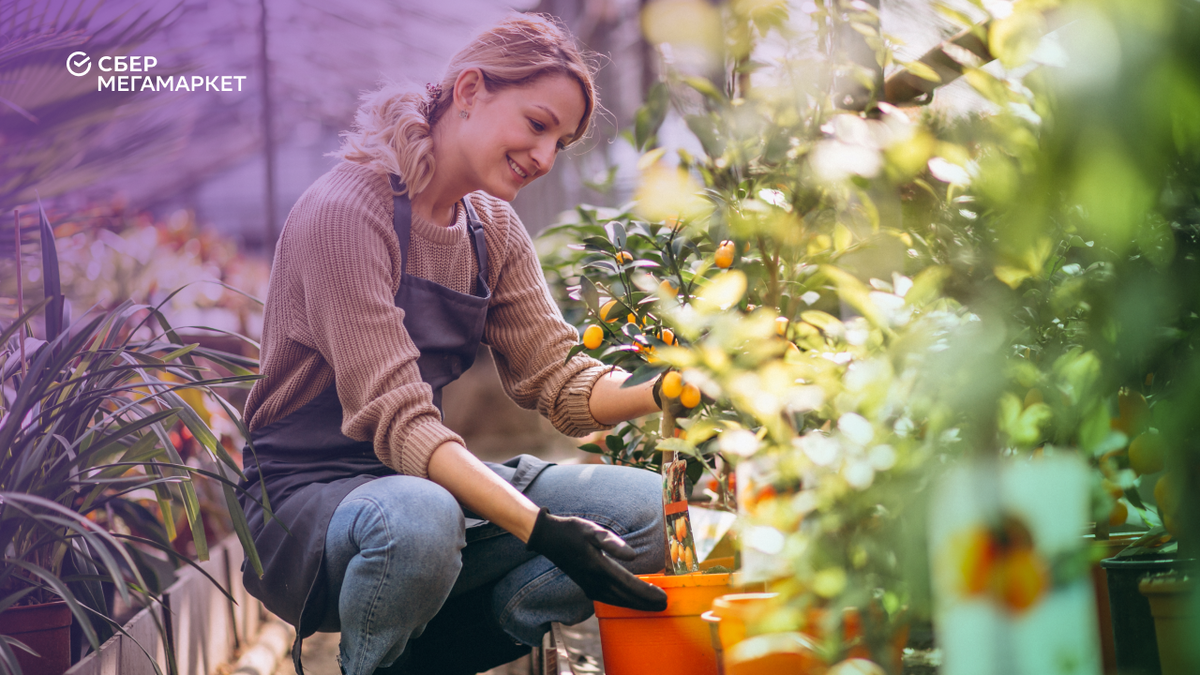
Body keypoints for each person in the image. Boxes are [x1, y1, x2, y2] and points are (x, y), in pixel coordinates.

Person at [238, 13, 671, 675]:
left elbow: (560, 381)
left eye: (560, 141)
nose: (545, 157)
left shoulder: (491, 226)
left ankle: (433, 661)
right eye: (536, 123)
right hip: (304, 505)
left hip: (415, 482)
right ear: (469, 90)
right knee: (421, 519)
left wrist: (668, 387)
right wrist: (544, 529)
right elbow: (404, 422)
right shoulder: (347, 213)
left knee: (645, 514)